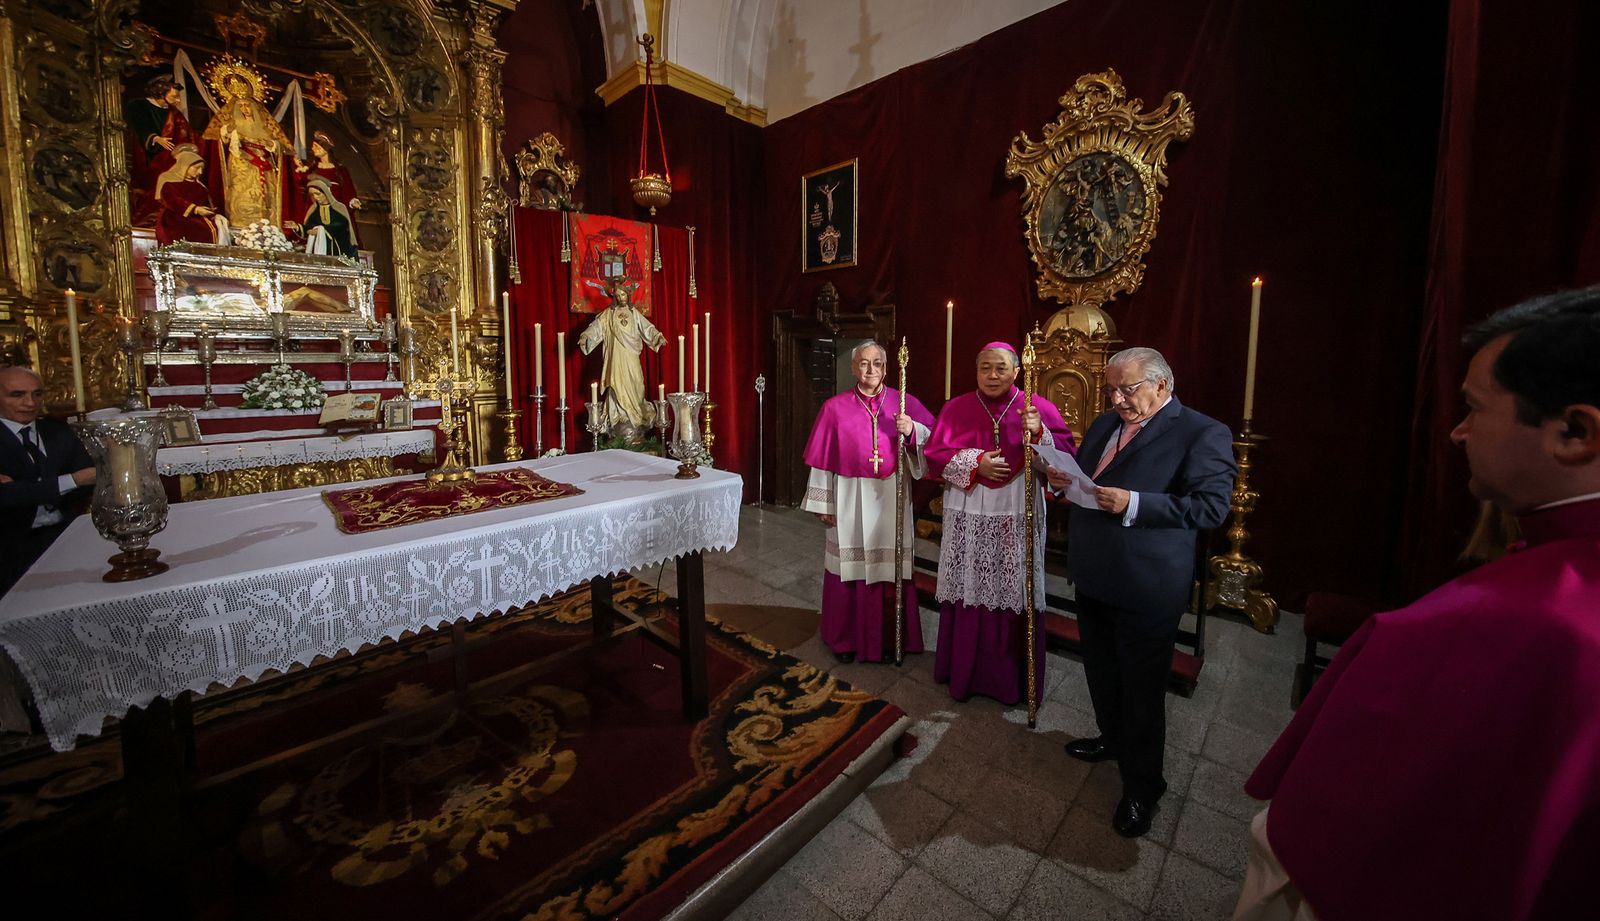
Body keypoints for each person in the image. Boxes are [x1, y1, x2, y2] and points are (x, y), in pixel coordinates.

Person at [1233, 289, 1600, 921]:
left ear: (1573, 432)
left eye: (1474, 408)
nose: (1457, 432)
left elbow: (1324, 859)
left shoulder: (1510, 622)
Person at [1056, 346, 1235, 839]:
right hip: (1094, 572)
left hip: (1145, 583)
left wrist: (1135, 503)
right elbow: (1092, 481)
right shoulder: (1102, 425)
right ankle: (1110, 740)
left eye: (1127, 389)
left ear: (1162, 385)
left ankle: (1142, 787)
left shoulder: (1202, 432)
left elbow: (1210, 508)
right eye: (1112, 388)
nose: (1117, 399)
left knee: (1141, 692)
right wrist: (1063, 482)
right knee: (1102, 674)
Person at [924, 342, 1072, 705]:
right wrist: (976, 464)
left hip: (1016, 513)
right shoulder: (956, 408)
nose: (992, 375)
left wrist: (1039, 434)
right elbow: (934, 455)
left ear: (1016, 372)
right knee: (969, 587)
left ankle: (1012, 681)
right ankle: (963, 672)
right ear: (976, 371)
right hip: (970, 510)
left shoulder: (1039, 409)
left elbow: (1065, 465)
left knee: (1013, 587)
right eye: (985, 368)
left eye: (1001, 369)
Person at [801, 341, 936, 663]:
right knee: (848, 565)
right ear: (853, 368)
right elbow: (822, 459)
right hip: (849, 494)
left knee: (888, 566)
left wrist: (913, 430)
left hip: (891, 495)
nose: (871, 370)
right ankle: (846, 640)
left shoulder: (904, 402)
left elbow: (935, 442)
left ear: (887, 368)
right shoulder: (834, 408)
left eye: (877, 363)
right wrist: (824, 504)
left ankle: (892, 640)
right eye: (863, 363)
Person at [0, 366, 95, 597]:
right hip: (10, 546)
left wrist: (24, 489)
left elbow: (91, 481)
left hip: (65, 537)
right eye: (17, 394)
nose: (30, 402)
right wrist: (71, 480)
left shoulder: (59, 433)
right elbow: (5, 498)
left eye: (37, 394)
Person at [203, 71, 296, 228]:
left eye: (248, 105)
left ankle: (268, 227)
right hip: (242, 163)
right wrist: (227, 132)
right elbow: (217, 140)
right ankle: (241, 225)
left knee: (266, 196)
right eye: (241, 106)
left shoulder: (266, 124)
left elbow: (282, 145)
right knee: (243, 194)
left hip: (265, 164)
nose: (245, 109)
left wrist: (272, 145)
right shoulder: (231, 123)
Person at [575, 280, 666, 433]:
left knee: (637, 383)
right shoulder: (608, 314)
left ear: (628, 295)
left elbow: (647, 327)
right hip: (616, 358)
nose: (621, 297)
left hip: (631, 356)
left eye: (623, 294)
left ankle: (636, 418)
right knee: (616, 386)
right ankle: (619, 418)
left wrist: (657, 337)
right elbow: (595, 328)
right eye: (618, 295)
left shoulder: (633, 313)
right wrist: (585, 336)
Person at [125, 75, 197, 225]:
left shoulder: (174, 112)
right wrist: (155, 138)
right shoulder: (139, 105)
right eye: (174, 96)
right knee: (156, 181)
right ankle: (150, 216)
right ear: (160, 92)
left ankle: (171, 213)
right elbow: (139, 126)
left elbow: (187, 133)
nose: (177, 100)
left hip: (171, 154)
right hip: (148, 155)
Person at [289, 131, 363, 246]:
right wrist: (297, 168)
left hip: (336, 209)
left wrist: (353, 201)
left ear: (325, 148)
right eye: (313, 147)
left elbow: (348, 190)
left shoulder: (340, 171)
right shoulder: (312, 169)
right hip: (317, 210)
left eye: (316, 146)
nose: (313, 149)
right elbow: (301, 181)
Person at [155, 148, 231, 246]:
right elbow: (173, 201)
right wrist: (195, 209)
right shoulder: (169, 183)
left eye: (202, 169)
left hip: (197, 218)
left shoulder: (201, 187)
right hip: (174, 217)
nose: (200, 172)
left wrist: (212, 212)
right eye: (197, 168)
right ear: (185, 166)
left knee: (213, 228)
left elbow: (206, 204)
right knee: (201, 230)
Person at [293, 176, 357, 258]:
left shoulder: (339, 207)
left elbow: (342, 225)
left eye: (318, 194)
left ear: (325, 192)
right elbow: (309, 227)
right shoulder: (313, 209)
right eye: (312, 195)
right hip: (317, 251)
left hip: (338, 250)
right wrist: (297, 227)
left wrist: (321, 231)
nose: (315, 197)